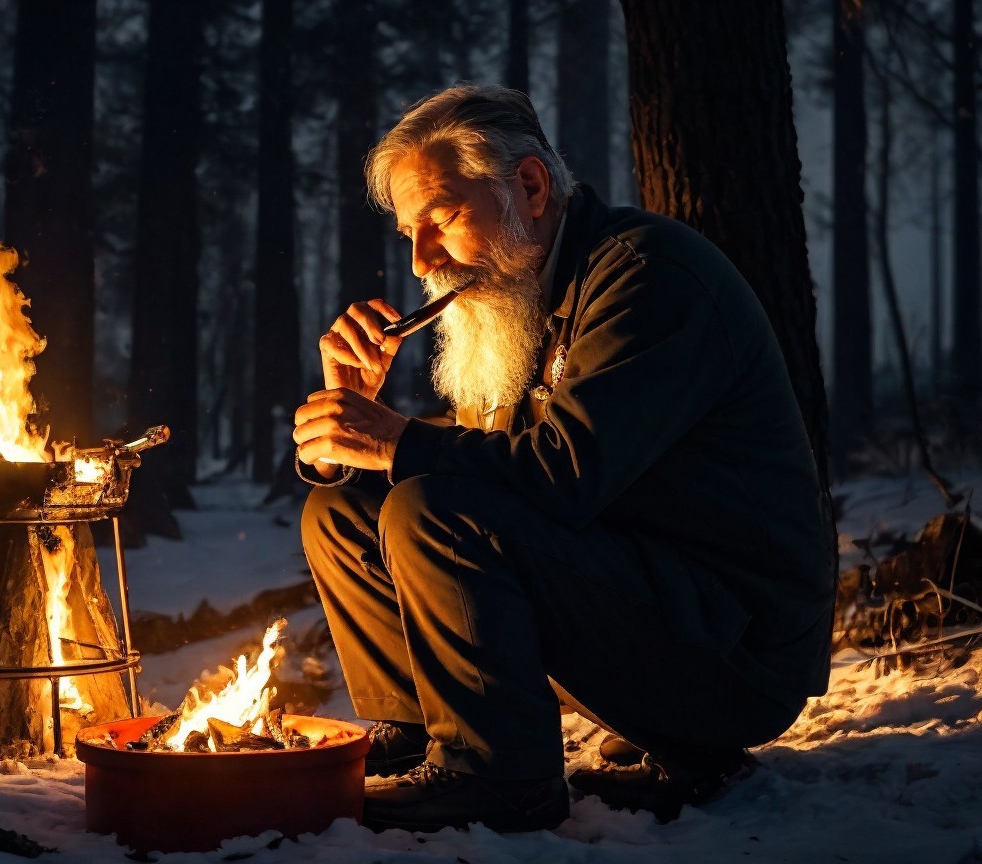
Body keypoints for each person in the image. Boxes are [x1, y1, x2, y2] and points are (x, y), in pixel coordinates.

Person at [293, 85, 834, 833]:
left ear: (531, 186)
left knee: (431, 508)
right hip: (644, 606)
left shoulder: (649, 277)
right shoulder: (525, 297)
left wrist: (395, 440)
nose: (421, 263)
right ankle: (419, 729)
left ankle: (498, 779)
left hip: (732, 653)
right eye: (410, 232)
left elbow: (564, 475)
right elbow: (488, 461)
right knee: (342, 510)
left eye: (441, 220)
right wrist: (350, 436)